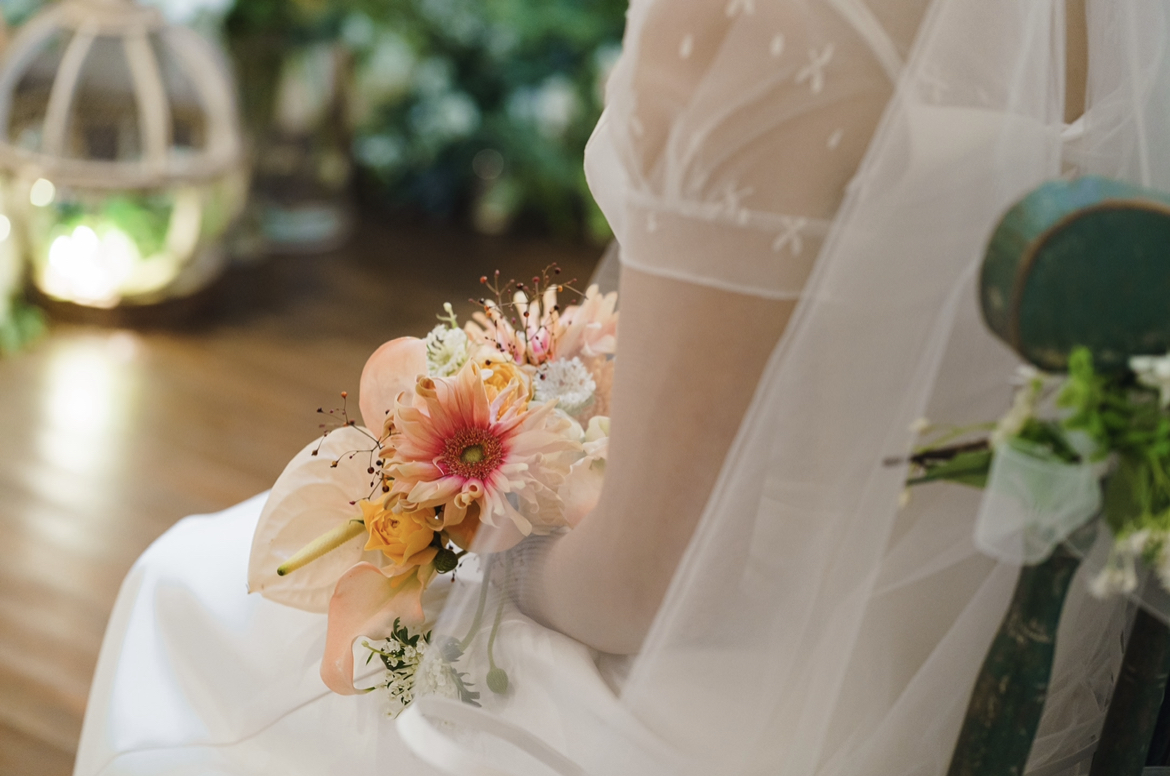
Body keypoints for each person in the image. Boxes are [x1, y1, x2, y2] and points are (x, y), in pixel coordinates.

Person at [76, 1, 1160, 774]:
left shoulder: (762, 21)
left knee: (185, 597)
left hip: (766, 712)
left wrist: (478, 543)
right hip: (1027, 675)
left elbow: (649, 584)